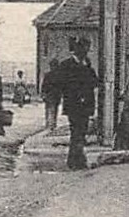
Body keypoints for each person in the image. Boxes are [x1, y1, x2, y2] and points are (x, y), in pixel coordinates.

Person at [57, 38, 101, 170]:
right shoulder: (66, 65)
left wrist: (88, 68)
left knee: (81, 133)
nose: (86, 52)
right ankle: (75, 161)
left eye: (88, 49)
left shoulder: (86, 65)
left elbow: (94, 82)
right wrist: (76, 95)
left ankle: (77, 159)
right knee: (76, 132)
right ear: (78, 49)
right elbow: (62, 84)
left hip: (85, 105)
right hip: (74, 105)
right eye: (84, 49)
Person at [41, 58, 63, 132]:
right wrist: (43, 94)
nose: (53, 67)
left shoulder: (57, 75)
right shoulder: (49, 75)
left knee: (53, 109)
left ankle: (51, 123)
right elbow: (43, 85)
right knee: (50, 109)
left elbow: (61, 86)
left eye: (54, 65)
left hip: (54, 94)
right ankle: (50, 123)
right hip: (50, 94)